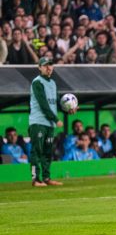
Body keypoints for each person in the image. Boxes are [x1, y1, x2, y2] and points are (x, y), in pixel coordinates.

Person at [29, 57, 76, 186]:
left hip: (49, 124)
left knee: (47, 152)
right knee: (37, 151)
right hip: (38, 122)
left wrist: (68, 110)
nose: (48, 67)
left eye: (50, 65)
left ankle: (46, 178)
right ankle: (35, 179)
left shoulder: (53, 83)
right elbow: (43, 104)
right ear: (40, 68)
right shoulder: (37, 82)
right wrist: (56, 119)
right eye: (45, 66)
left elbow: (58, 102)